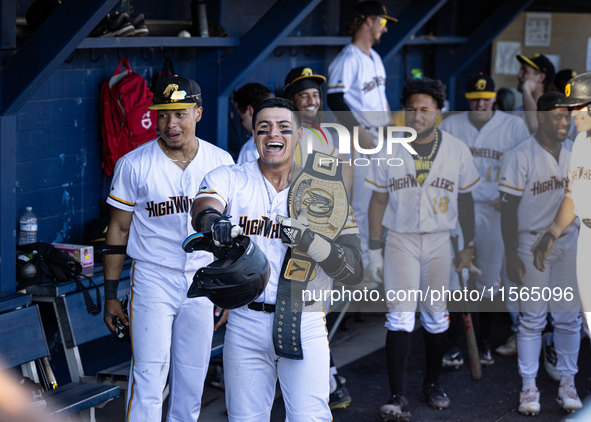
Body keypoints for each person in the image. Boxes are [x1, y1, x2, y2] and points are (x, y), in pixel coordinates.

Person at [190, 98, 364, 421]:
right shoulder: (231, 177)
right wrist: (216, 224)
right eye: (264, 128)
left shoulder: (326, 189)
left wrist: (313, 242)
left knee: (308, 417)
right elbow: (203, 208)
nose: (274, 134)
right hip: (245, 321)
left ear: (299, 135)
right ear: (254, 136)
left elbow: (354, 267)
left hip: (304, 319)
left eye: (284, 127)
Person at [102, 75, 234, 422]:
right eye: (163, 114)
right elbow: (118, 228)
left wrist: (225, 289)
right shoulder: (134, 163)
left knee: (191, 383)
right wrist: (111, 293)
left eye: (180, 114)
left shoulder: (222, 162)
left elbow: (228, 233)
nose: (170, 124)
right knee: (148, 379)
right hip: (152, 280)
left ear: (199, 113)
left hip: (202, 281)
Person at [366, 78, 481, 421]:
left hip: (439, 241)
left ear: (438, 113)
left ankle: (433, 384)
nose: (417, 116)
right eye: (412, 109)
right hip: (399, 239)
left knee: (435, 315)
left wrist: (468, 246)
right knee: (400, 316)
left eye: (425, 110)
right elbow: (377, 201)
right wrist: (374, 249)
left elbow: (467, 201)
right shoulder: (388, 148)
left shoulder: (457, 148)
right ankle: (396, 396)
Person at [499, 91, 582, 415]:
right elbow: (507, 210)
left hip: (569, 240)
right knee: (532, 318)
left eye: (567, 116)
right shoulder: (520, 154)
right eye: (558, 116)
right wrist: (510, 253)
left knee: (567, 318)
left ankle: (567, 382)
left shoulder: (576, 151)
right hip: (530, 241)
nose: (564, 122)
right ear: (542, 118)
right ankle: (529, 386)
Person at [439, 74, 529, 366]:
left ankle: (485, 341)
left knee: (488, 279)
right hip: (457, 209)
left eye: (486, 97)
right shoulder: (452, 124)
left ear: (494, 98)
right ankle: (453, 344)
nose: (480, 102)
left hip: (495, 210)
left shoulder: (513, 126)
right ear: (467, 98)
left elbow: (526, 165)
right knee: (455, 277)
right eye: (475, 97)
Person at [327, 0, 396, 276]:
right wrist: (358, 130)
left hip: (381, 138)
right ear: (368, 20)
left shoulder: (375, 58)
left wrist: (390, 127)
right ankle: (364, 268)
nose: (386, 29)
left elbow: (381, 99)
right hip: (361, 141)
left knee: (384, 200)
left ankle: (375, 263)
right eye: (383, 22)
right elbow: (333, 98)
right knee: (364, 205)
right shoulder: (348, 58)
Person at [534, 72, 591, 335]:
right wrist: (552, 233)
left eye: (579, 107)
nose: (572, 115)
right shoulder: (580, 142)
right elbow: (573, 194)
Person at [233, 83, 274, 165]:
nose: (240, 122)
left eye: (240, 116)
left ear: (251, 110)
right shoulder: (296, 134)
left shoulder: (251, 149)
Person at [516, 53, 556, 133]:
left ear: (541, 78)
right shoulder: (517, 111)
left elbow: (536, 125)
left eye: (525, 71)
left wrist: (526, 90)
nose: (519, 75)